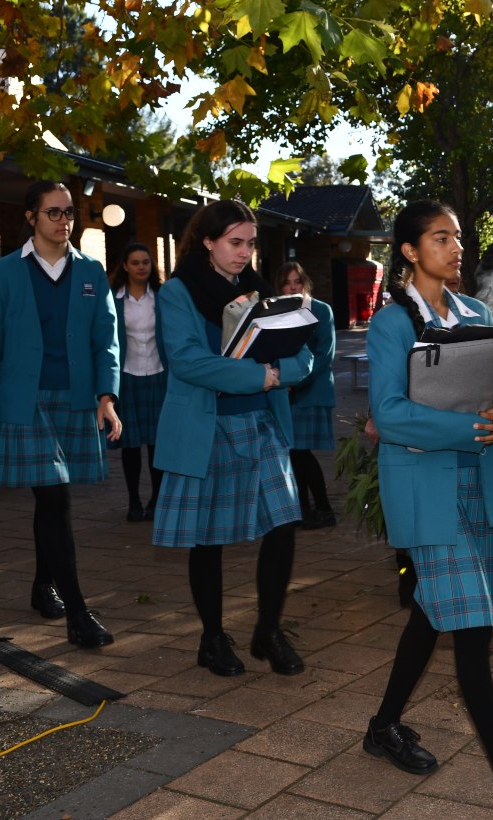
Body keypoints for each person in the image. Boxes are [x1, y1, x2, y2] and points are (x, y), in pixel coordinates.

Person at [363, 200, 493, 816]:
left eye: (457, 237)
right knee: (474, 629)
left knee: (434, 613)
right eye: (439, 238)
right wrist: (470, 429)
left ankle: (383, 727)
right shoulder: (392, 324)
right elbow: (389, 415)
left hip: (477, 489)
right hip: (426, 490)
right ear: (408, 251)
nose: (455, 248)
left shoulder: (477, 313)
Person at [152, 200, 312, 677]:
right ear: (208, 242)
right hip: (207, 426)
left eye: (250, 243)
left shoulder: (261, 290)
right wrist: (263, 376)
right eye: (235, 242)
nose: (245, 253)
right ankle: (212, 637)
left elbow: (303, 355)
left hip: (261, 423)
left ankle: (267, 630)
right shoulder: (177, 292)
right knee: (208, 539)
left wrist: (277, 373)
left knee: (283, 525)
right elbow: (188, 361)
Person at [0, 180, 121, 648]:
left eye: (69, 212)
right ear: (31, 217)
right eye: (53, 212)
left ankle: (40, 585)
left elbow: (106, 342)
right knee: (55, 500)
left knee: (51, 500)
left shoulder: (92, 271)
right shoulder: (2, 273)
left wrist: (106, 397)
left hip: (75, 401)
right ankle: (77, 613)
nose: (64, 221)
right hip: (25, 403)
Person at [274, 261, 337, 530]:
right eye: (286, 283)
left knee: (300, 452)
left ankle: (323, 508)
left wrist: (295, 381)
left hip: (311, 390)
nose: (292, 287)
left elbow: (325, 354)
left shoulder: (321, 310)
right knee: (294, 452)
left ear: (305, 282)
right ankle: (305, 509)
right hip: (286, 391)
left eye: (296, 281)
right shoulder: (277, 310)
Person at [109, 243, 166, 523]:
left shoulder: (162, 297)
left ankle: (156, 499)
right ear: (125, 266)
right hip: (128, 377)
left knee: (158, 444)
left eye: (146, 262)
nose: (142, 267)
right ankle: (133, 500)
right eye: (135, 262)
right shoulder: (113, 298)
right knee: (130, 445)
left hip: (158, 374)